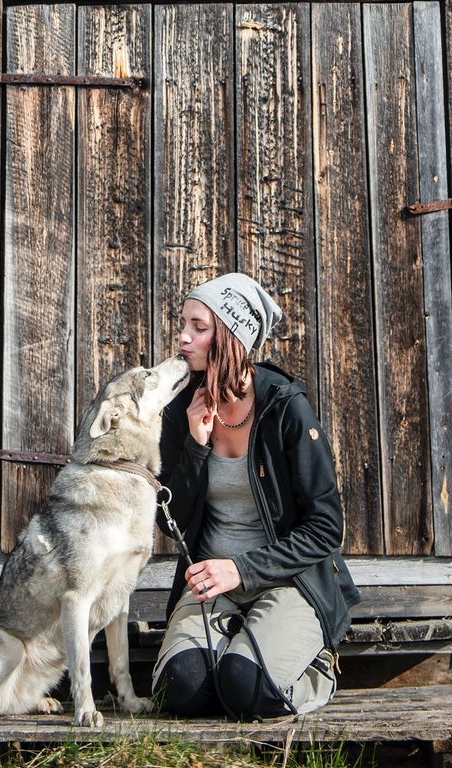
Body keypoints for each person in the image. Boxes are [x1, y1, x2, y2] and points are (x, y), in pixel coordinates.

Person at [152, 272, 360, 721]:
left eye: (199, 327)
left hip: (289, 581)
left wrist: (241, 569)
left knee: (246, 689)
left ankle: (316, 665)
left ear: (231, 336)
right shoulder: (180, 409)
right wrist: (194, 445)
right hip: (210, 584)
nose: (183, 338)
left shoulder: (285, 407)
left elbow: (326, 528)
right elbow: (168, 521)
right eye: (183, 324)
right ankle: (238, 642)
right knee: (181, 691)